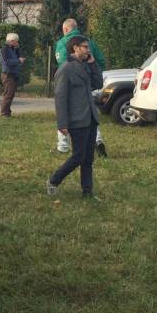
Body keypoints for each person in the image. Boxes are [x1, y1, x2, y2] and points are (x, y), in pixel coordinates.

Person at [47, 35, 101, 199]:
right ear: (75, 48)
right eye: (85, 47)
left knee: (88, 158)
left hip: (90, 118)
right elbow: (60, 97)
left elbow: (98, 83)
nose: (88, 50)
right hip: (77, 120)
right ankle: (53, 181)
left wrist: (93, 63)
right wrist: (62, 123)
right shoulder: (66, 69)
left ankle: (87, 192)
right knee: (78, 156)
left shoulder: (85, 66)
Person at [54, 18, 107, 157]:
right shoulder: (89, 41)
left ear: (65, 29)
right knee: (90, 112)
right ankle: (98, 139)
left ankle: (63, 145)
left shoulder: (62, 43)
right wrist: (93, 71)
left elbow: (63, 63)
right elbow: (101, 61)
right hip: (89, 82)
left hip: (71, 83)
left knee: (67, 111)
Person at [0, 33, 24, 117]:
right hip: (7, 74)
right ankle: (4, 113)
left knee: (11, 94)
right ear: (12, 41)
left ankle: (7, 112)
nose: (17, 43)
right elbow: (7, 62)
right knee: (8, 94)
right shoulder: (4, 49)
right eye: (16, 41)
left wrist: (17, 49)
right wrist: (18, 61)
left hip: (13, 74)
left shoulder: (13, 49)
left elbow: (18, 57)